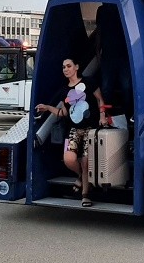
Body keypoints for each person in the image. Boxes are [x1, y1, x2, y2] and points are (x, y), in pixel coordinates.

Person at [35, 57, 106, 207]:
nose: (66, 69)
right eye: (63, 67)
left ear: (77, 67)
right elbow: (64, 113)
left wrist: (102, 116)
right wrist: (48, 107)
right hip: (73, 130)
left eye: (68, 66)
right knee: (69, 159)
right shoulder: (64, 91)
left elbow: (100, 99)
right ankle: (81, 176)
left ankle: (85, 195)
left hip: (90, 129)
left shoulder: (88, 82)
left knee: (86, 162)